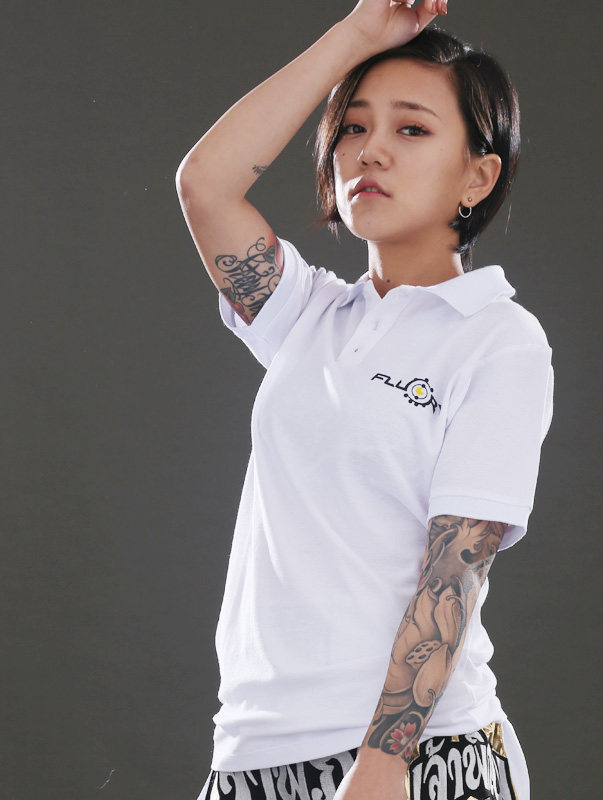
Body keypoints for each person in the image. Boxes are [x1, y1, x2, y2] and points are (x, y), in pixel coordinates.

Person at [175, 2, 554, 799]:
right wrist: (357, 35)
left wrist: (383, 767)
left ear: (478, 176)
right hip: (250, 752)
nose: (370, 149)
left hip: (417, 757)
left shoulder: (497, 338)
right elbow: (206, 184)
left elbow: (455, 569)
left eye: (411, 129)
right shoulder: (305, 315)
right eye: (352, 127)